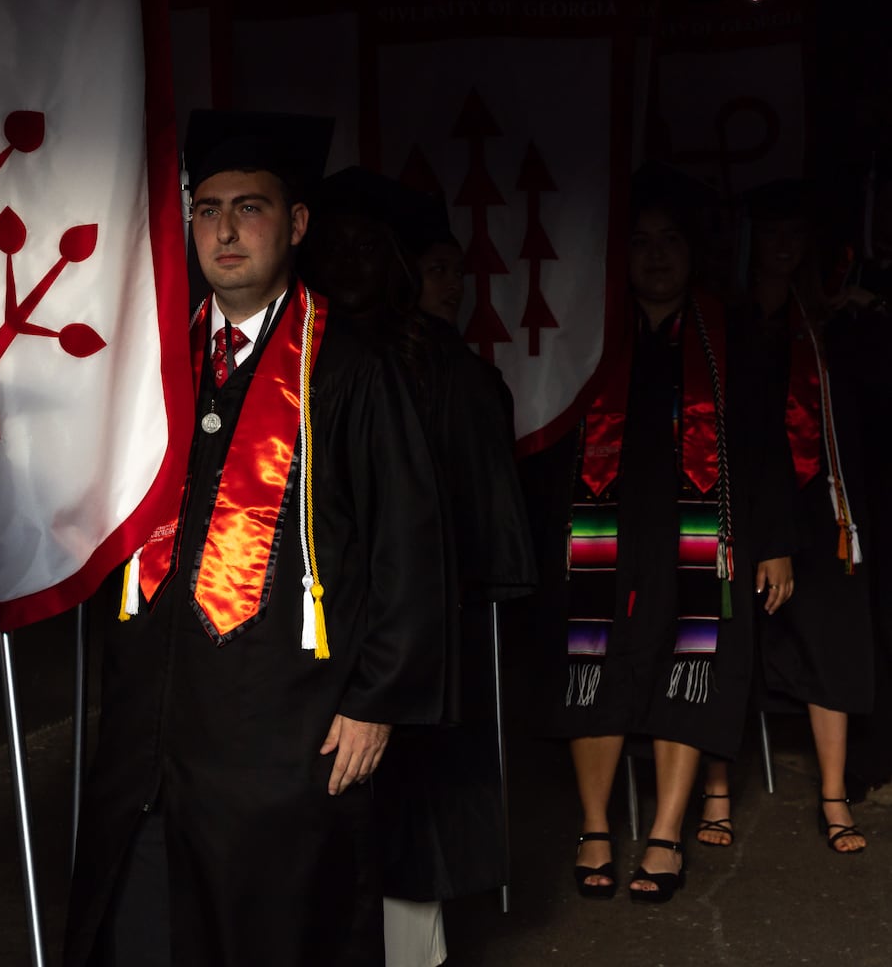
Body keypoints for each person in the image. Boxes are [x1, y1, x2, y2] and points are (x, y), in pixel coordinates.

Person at [64, 114, 449, 967]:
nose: (226, 231)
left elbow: (407, 544)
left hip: (287, 725)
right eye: (207, 210)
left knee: (270, 928)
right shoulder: (152, 368)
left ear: (298, 224)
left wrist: (378, 700)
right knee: (142, 922)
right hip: (153, 722)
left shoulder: (349, 365)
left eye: (250, 208)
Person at [537, 163, 795, 904]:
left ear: (693, 250)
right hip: (599, 530)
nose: (655, 255)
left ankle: (665, 833)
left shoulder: (729, 330)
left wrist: (774, 540)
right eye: (641, 240)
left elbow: (766, 442)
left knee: (694, 664)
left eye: (670, 239)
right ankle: (595, 826)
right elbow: (551, 435)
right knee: (594, 664)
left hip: (702, 530)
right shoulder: (590, 332)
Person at [303, 168, 537, 967]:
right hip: (360, 633)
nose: (350, 265)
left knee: (385, 834)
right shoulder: (311, 362)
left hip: (387, 633)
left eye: (365, 249)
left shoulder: (425, 366)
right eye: (339, 249)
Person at [698, 179, 883, 853]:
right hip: (739, 497)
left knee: (832, 635)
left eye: (793, 235)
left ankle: (833, 797)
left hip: (823, 500)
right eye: (770, 233)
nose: (783, 246)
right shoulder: (724, 318)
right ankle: (716, 792)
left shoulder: (825, 318)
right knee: (724, 636)